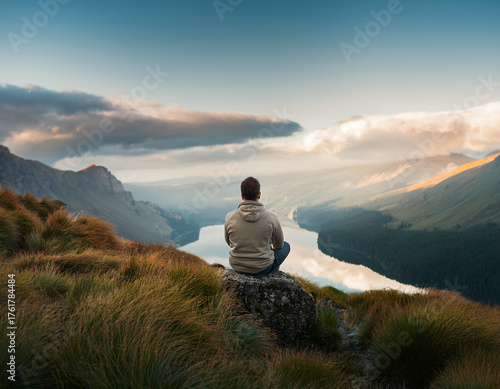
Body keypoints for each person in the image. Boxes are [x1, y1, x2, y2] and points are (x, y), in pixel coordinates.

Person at [224, 176, 290, 276]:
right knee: (286, 246)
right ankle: (273, 273)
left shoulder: (229, 217)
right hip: (262, 268)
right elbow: (279, 245)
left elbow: (229, 242)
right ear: (259, 195)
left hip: (237, 266)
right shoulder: (272, 217)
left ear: (242, 195)